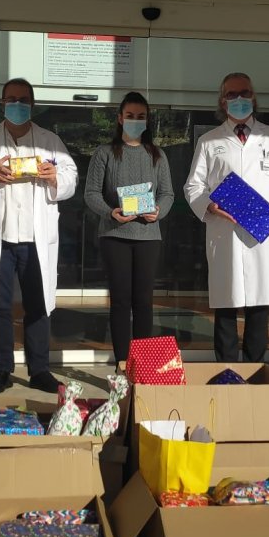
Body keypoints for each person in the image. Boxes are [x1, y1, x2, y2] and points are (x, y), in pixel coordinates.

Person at [0, 78, 78, 394]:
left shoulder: (50, 141)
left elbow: (71, 179)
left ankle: (39, 371)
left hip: (36, 238)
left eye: (23, 100)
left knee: (38, 305)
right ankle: (2, 371)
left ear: (32, 104)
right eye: (11, 99)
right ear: (2, 103)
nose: (17, 105)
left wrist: (55, 177)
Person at [184, 72, 269, 362]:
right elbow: (193, 186)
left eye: (244, 93)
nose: (239, 100)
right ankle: (226, 372)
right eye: (231, 95)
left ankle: (255, 369)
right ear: (222, 101)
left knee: (259, 307)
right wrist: (209, 205)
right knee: (226, 304)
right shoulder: (210, 141)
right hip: (225, 234)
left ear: (253, 96)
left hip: (261, 233)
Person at [83, 92, 175, 368]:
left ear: (148, 120)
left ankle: (144, 363)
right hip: (115, 235)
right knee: (121, 301)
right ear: (120, 118)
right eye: (130, 116)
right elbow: (90, 193)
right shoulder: (104, 154)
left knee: (144, 302)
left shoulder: (158, 155)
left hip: (148, 236)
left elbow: (168, 194)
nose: (135, 121)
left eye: (141, 117)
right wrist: (110, 212)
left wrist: (159, 211)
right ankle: (123, 363)